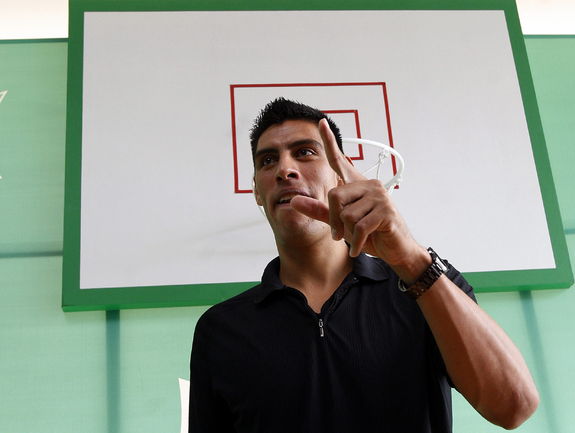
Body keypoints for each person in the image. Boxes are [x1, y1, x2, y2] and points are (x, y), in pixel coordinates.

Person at [189, 98, 539, 432]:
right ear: (256, 191)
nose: (284, 169)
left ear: (341, 177)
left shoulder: (425, 283)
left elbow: (514, 406)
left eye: (305, 152)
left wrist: (408, 258)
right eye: (268, 160)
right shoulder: (221, 330)